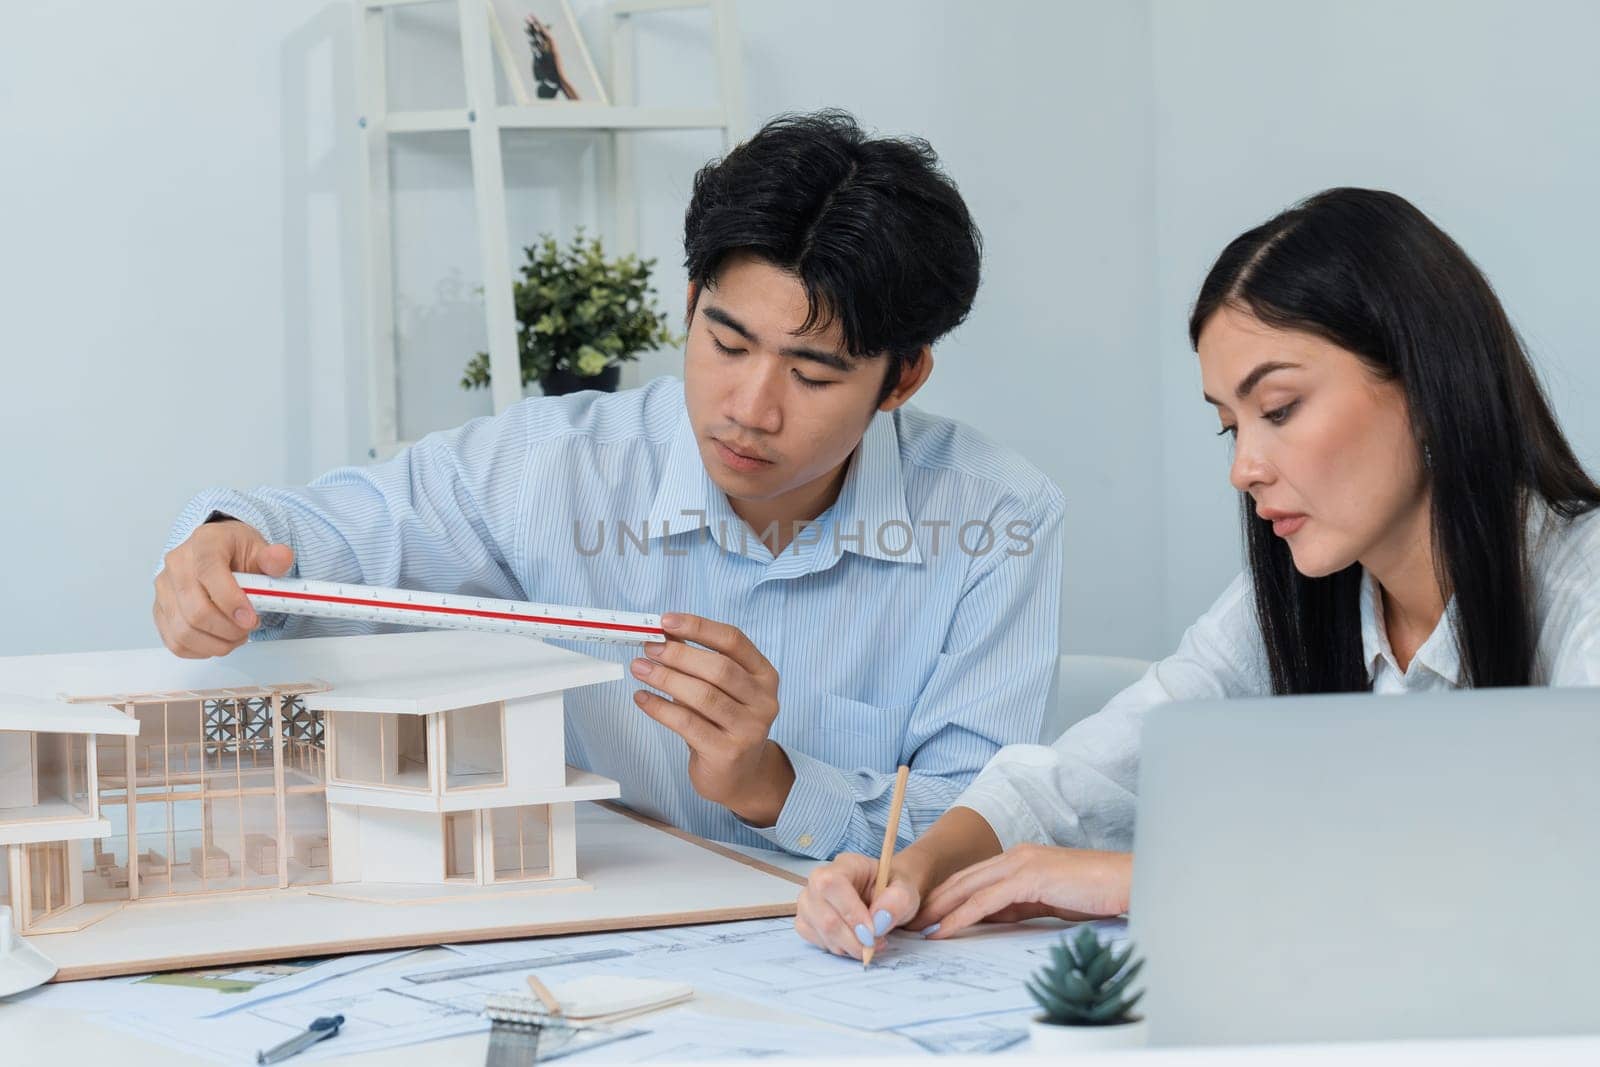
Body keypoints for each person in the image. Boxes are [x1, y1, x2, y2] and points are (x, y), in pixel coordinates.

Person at [152, 111, 1065, 860]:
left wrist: (770, 781)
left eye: (813, 375)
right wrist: (228, 545)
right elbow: (332, 534)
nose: (751, 406)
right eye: (727, 342)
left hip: (847, 976)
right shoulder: (557, 465)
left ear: (902, 381)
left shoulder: (996, 520)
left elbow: (976, 824)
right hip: (597, 949)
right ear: (689, 304)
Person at [796, 186, 1600, 956]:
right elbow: (1077, 780)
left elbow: (1551, 883)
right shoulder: (1290, 601)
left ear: (1426, 385)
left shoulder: (1581, 591)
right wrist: (916, 870)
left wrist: (1150, 881)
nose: (1244, 467)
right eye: (1229, 426)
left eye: (1279, 409)